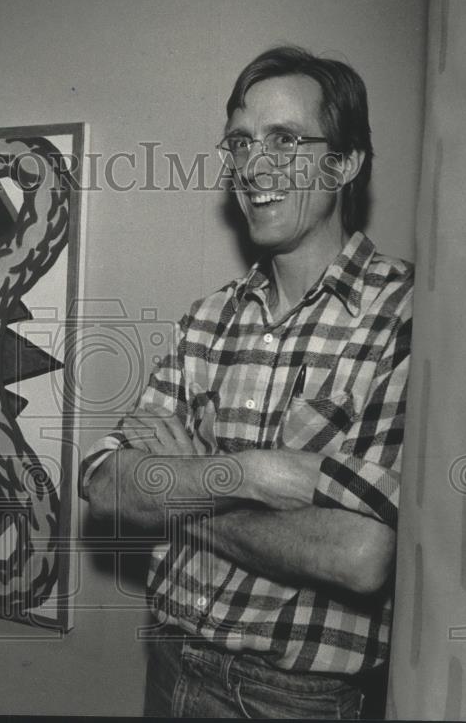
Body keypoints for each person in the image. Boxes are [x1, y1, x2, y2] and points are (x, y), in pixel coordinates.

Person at [80, 45, 412, 719]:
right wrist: (252, 474)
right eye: (240, 142)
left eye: (285, 140)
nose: (253, 166)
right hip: (172, 665)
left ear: (344, 163)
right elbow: (105, 482)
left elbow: (359, 554)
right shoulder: (208, 319)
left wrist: (190, 478)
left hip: (299, 698)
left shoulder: (405, 315)